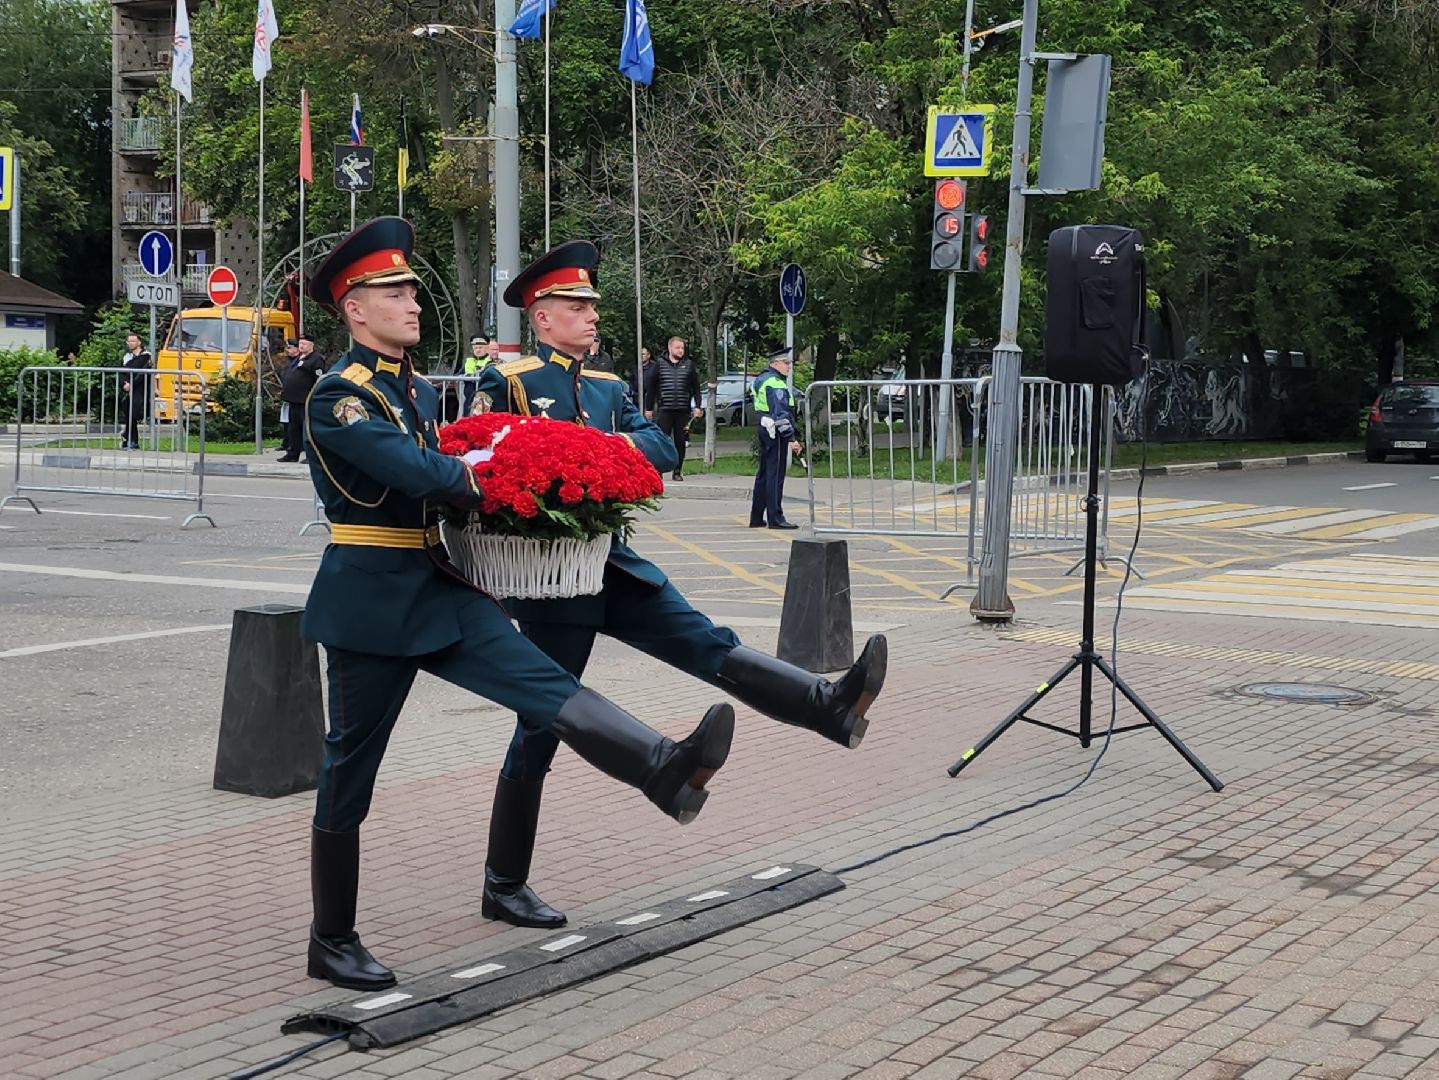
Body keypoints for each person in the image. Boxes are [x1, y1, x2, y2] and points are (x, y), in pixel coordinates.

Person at [299, 219, 736, 991]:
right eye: (392, 291)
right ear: (353, 309)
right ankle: (331, 938)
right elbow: (418, 469)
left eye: (409, 288)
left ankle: (662, 768)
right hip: (369, 600)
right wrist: (500, 476)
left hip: (438, 584)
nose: (411, 301)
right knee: (350, 772)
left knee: (542, 687)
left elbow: (441, 460)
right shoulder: (340, 396)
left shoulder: (418, 388)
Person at [473, 241, 887, 930]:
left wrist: (590, 452)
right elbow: (496, 456)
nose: (590, 317)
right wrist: (594, 454)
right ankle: (503, 882)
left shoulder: (606, 387)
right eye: (576, 308)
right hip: (550, 576)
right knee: (542, 721)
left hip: (613, 561)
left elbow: (659, 447)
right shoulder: (511, 381)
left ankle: (827, 705)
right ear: (541, 317)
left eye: (592, 307)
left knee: (704, 641)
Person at [750, 347, 802, 529]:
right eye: (786, 363)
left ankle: (756, 517)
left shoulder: (761, 379)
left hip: (764, 428)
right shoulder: (776, 383)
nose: (789, 367)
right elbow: (781, 415)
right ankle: (776, 518)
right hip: (775, 432)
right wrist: (792, 439)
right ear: (775, 364)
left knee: (764, 474)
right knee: (775, 475)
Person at [645, 336, 702, 481]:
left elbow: (696, 387)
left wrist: (697, 406)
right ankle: (659, 470)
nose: (681, 350)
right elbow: (651, 387)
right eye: (677, 348)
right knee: (662, 441)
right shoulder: (660, 364)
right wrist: (649, 408)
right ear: (670, 348)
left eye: (682, 348)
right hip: (665, 409)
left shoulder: (689, 365)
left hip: (682, 410)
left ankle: (677, 471)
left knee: (680, 441)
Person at [278, 336, 325, 462]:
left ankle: (311, 456)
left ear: (311, 345)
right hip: (293, 400)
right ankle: (292, 454)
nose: (301, 346)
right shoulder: (298, 358)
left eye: (304, 344)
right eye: (300, 343)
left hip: (306, 400)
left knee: (307, 429)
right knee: (294, 429)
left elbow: (319, 378)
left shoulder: (316, 359)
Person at [119, 333, 151, 451]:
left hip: (141, 389)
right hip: (128, 389)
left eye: (133, 341)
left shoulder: (146, 356)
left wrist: (132, 384)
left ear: (139, 342)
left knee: (133, 413)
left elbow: (141, 373)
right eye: (129, 341)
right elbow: (122, 373)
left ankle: (130, 438)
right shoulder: (127, 357)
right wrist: (124, 384)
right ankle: (130, 438)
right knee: (128, 413)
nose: (131, 343)